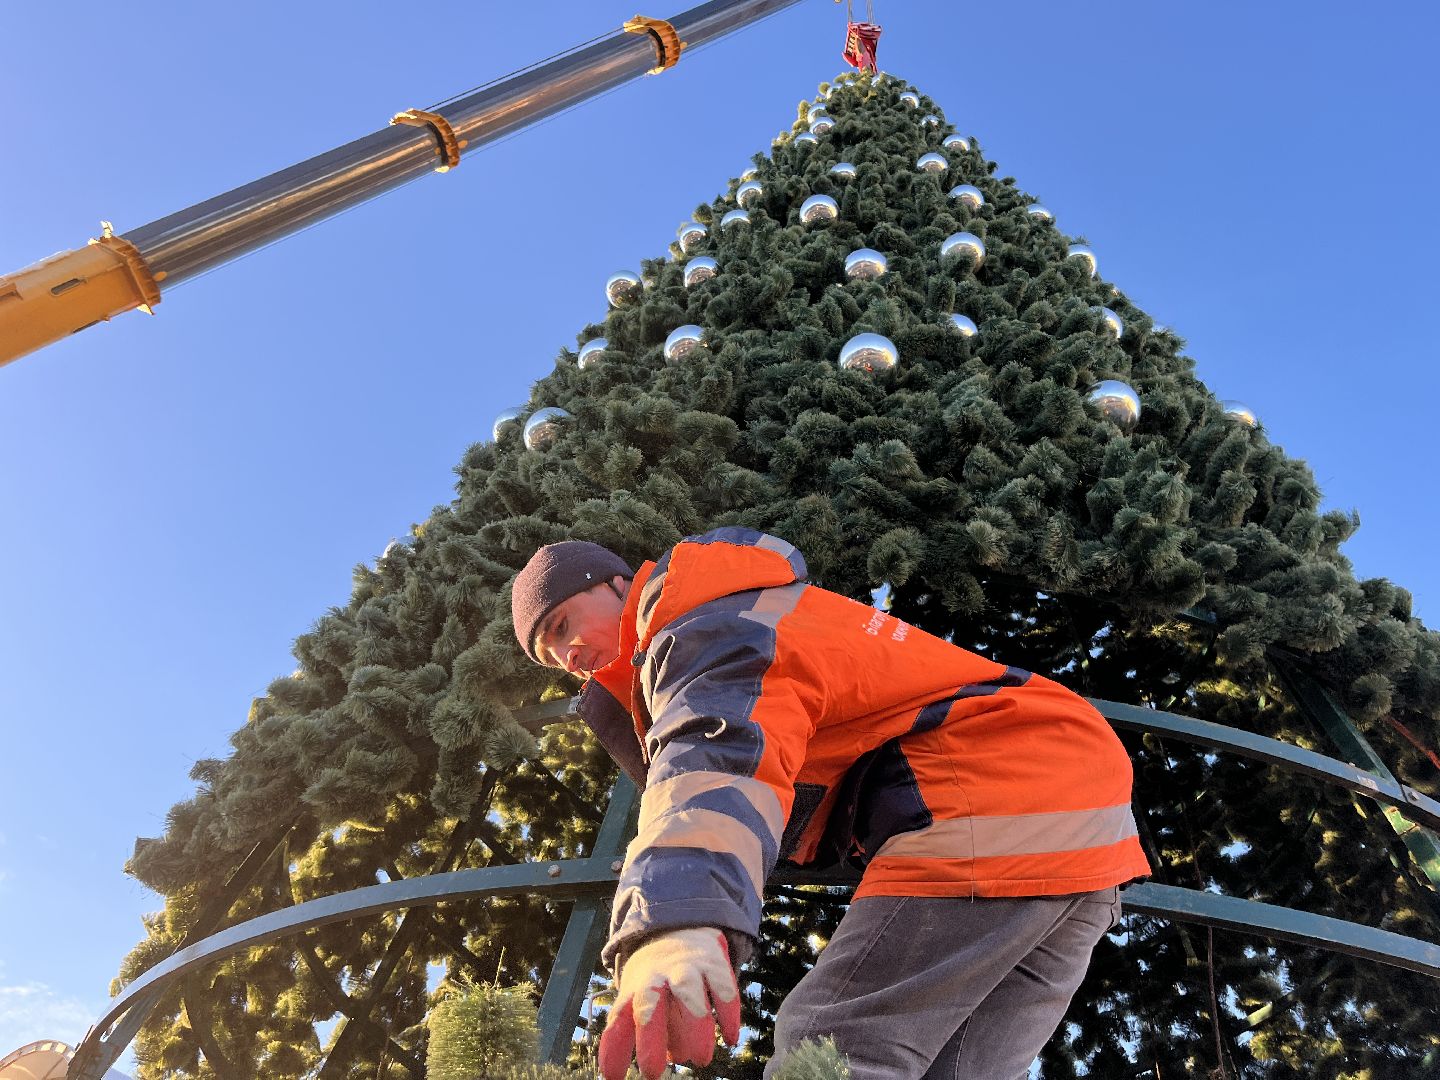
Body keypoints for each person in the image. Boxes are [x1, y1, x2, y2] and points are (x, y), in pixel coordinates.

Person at [510, 527, 1151, 1080]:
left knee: (828, 1046)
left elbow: (716, 754)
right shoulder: (750, 608)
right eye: (548, 655)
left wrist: (673, 922)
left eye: (564, 623)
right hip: (1076, 817)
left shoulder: (705, 625)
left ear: (618, 585)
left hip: (993, 786)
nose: (566, 656)